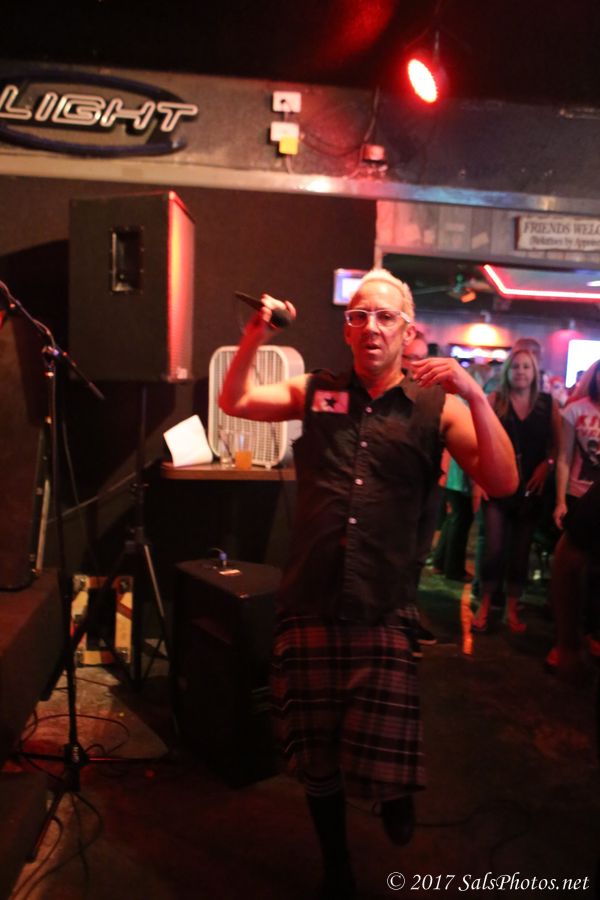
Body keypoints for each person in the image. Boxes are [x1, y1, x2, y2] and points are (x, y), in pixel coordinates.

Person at [219, 269, 517, 900]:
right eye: (359, 316)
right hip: (311, 598)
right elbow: (235, 401)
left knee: (385, 743)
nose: (371, 326)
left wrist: (476, 394)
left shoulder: (438, 406)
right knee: (318, 753)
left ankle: (396, 793)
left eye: (385, 317)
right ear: (346, 329)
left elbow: (504, 480)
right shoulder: (318, 390)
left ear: (409, 332)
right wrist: (254, 335)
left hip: (382, 606)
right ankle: (337, 867)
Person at [472, 348, 560, 634]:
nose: (521, 372)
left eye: (526, 367)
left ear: (535, 373)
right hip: (497, 488)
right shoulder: (495, 401)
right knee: (494, 549)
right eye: (516, 367)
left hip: (531, 490)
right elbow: (478, 443)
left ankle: (512, 607)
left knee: (521, 551)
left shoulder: (548, 404)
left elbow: (557, 446)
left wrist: (547, 465)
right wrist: (479, 483)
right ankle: (485, 603)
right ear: (507, 371)